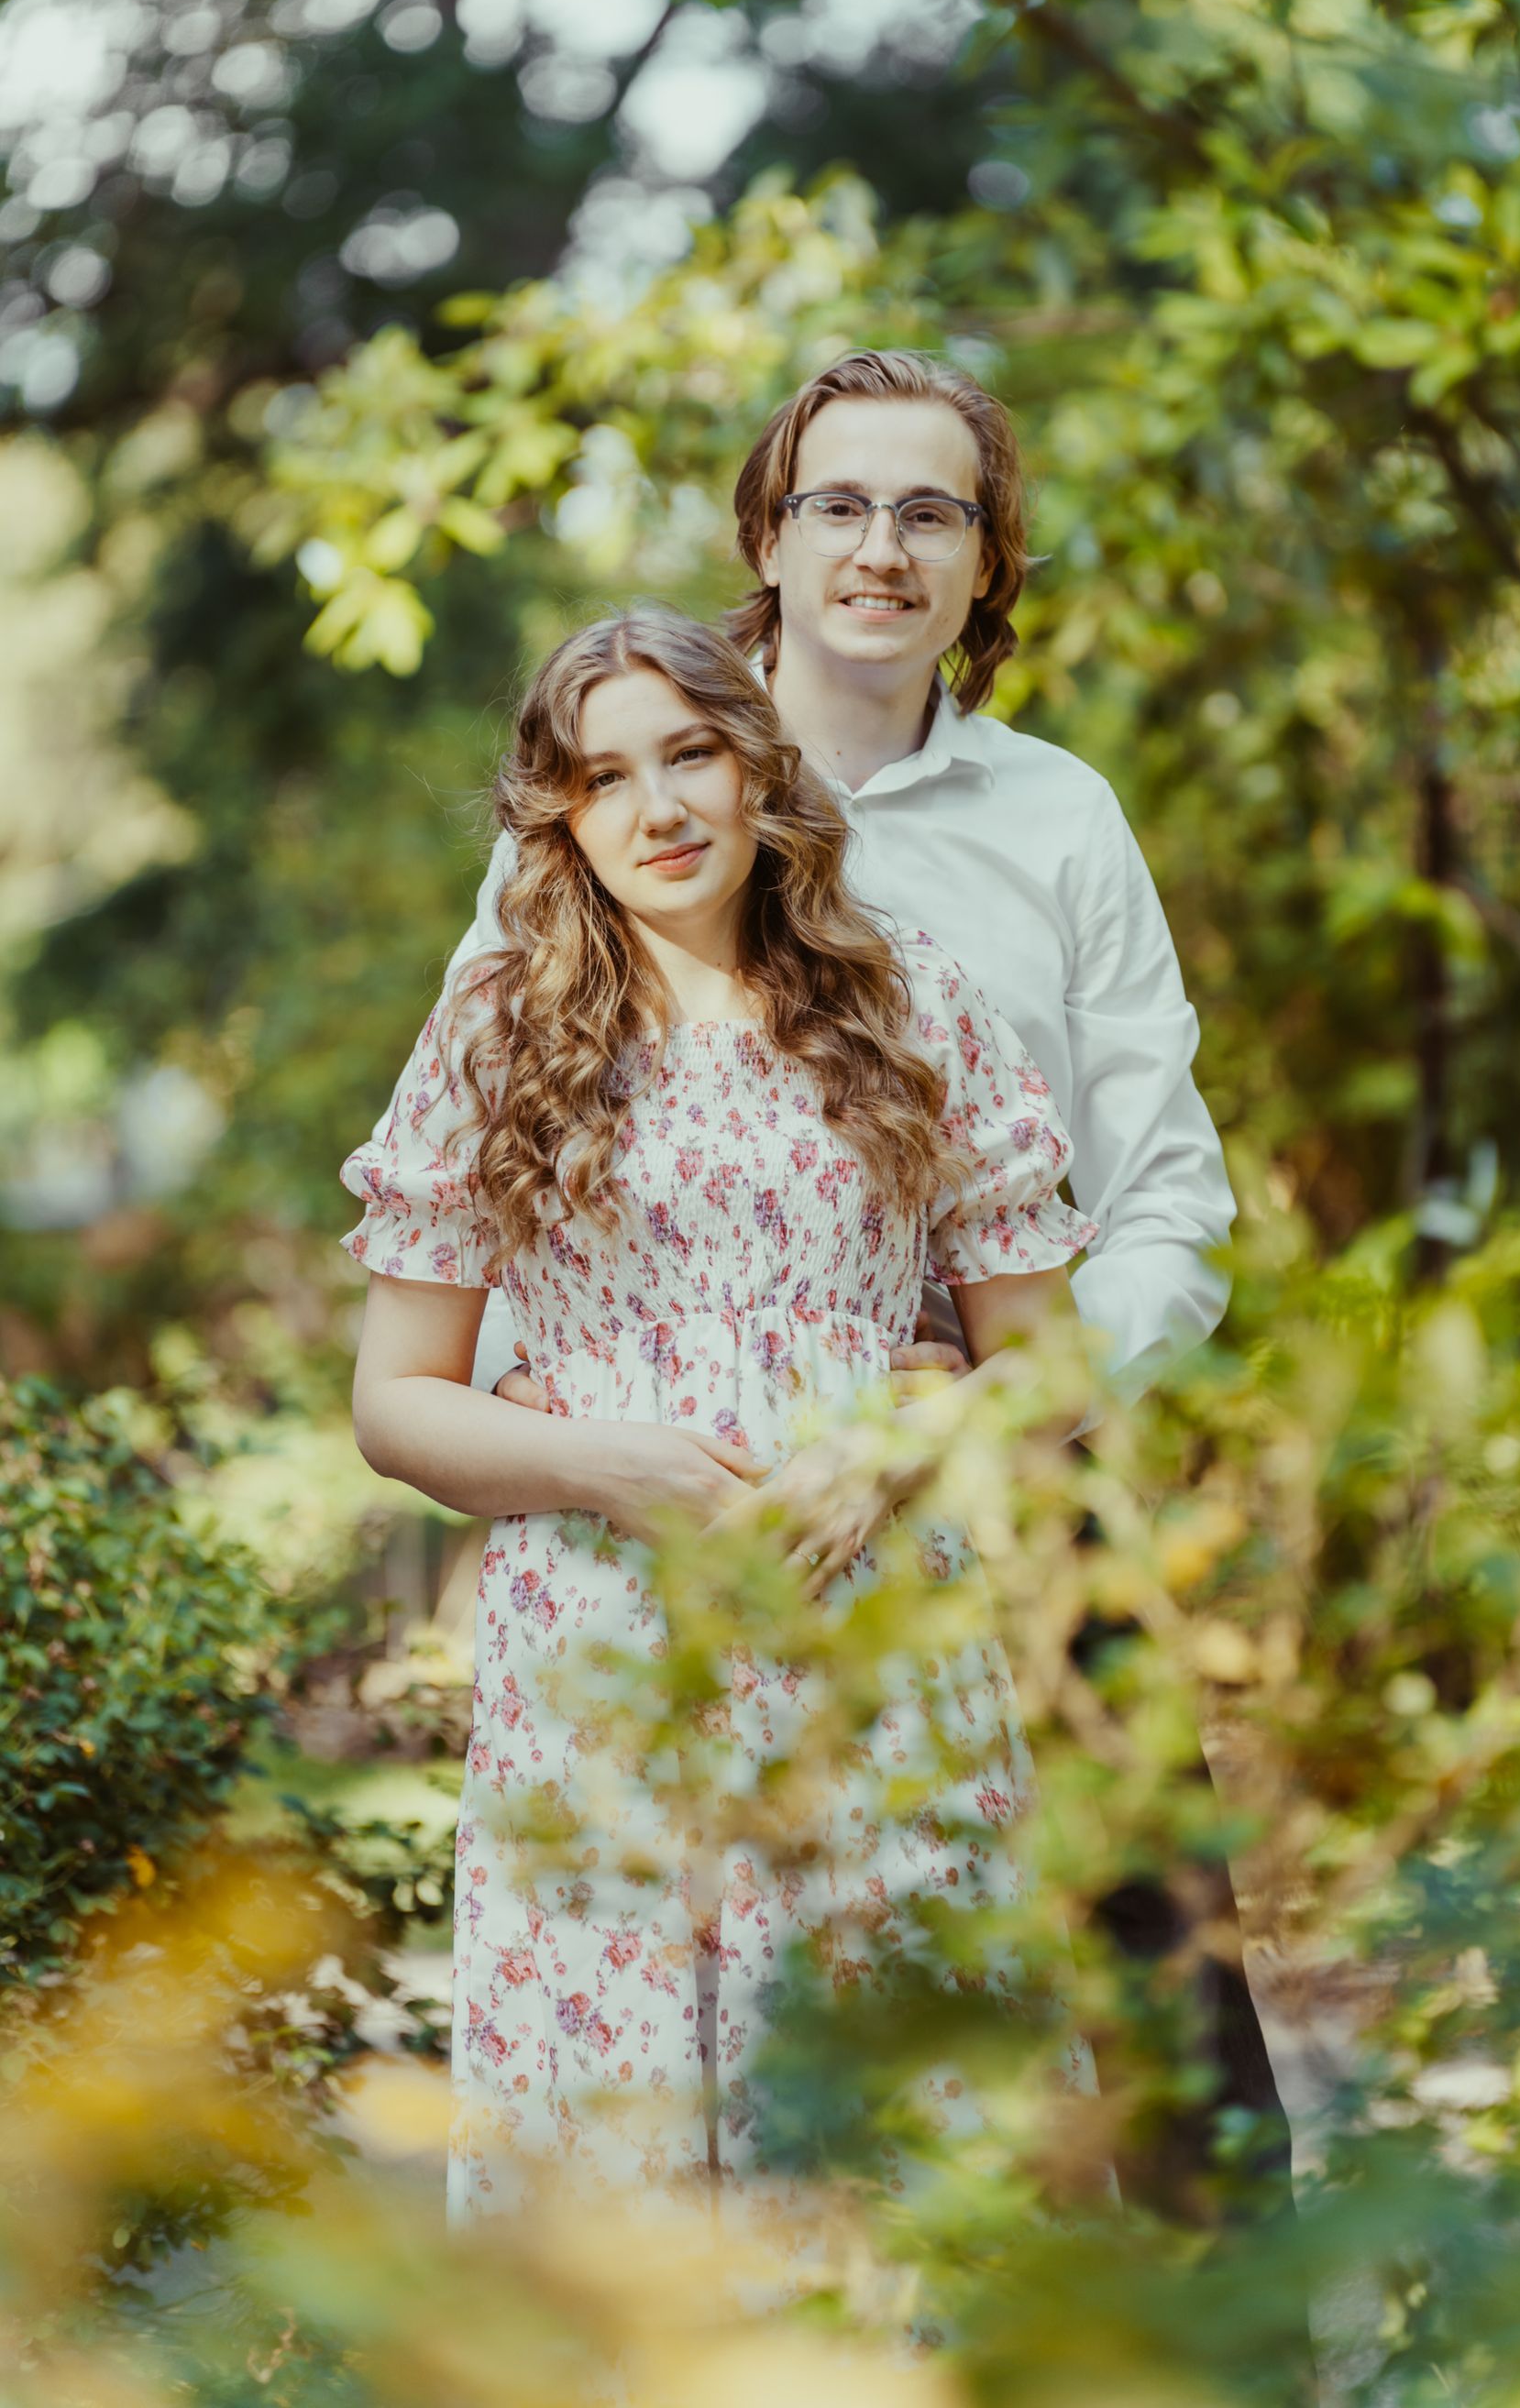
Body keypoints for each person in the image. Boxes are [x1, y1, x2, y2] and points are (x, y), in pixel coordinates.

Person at [454, 349, 1291, 2211]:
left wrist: (1000, 1404)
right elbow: (503, 1115)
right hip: (699, 1526)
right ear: (772, 531)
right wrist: (560, 1414)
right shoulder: (631, 783)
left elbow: (1168, 1201)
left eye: (936, 511)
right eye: (841, 501)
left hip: (1011, 1478)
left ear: (990, 565)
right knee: (698, 2076)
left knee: (1178, 2088)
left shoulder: (1059, 821)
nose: (883, 547)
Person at [343, 606, 1099, 2227]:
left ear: (760, 769)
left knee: (907, 2154)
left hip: (877, 1645)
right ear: (560, 819)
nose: (659, 808)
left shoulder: (912, 1007)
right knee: (623, 2169)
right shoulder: (498, 1036)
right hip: (606, 1663)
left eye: (690, 753)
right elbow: (395, 1403)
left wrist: (901, 1446)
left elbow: (1048, 1369)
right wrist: (594, 1460)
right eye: (604, 778)